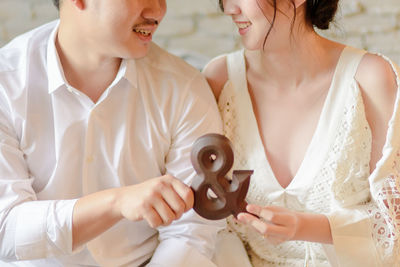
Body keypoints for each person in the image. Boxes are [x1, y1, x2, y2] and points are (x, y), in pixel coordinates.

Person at [0, 0, 224, 266]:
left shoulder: (184, 89)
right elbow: (6, 230)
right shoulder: (7, 83)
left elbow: (192, 232)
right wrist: (117, 202)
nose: (158, 11)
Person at [203, 0, 400, 266]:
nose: (229, 9)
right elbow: (209, 227)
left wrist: (306, 226)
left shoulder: (370, 78)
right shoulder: (219, 80)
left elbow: (392, 223)